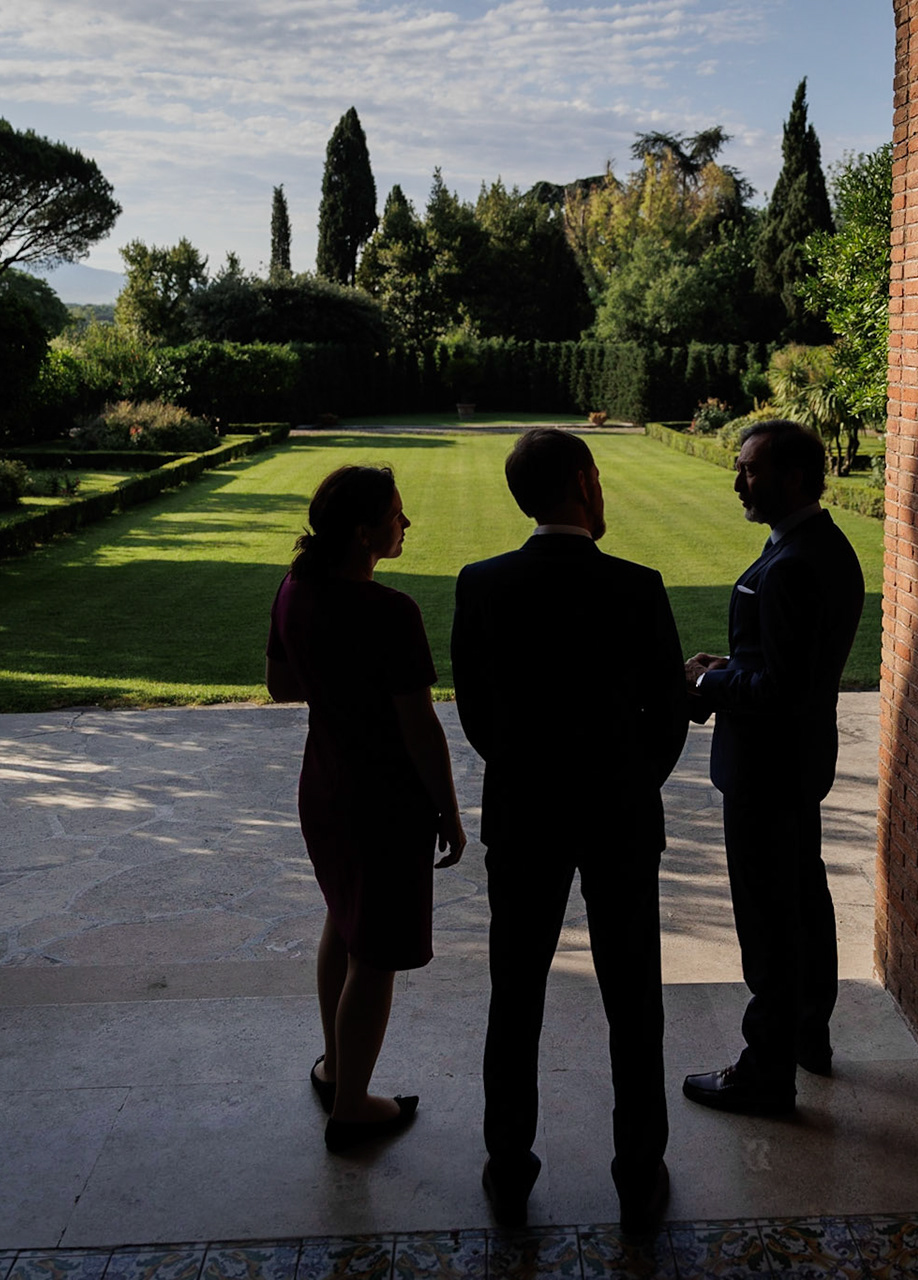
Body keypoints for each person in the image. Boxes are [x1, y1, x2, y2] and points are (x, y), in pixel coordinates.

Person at [452, 428, 689, 1231]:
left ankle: (510, 1166)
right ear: (586, 483)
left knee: (515, 996)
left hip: (523, 815)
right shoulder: (637, 585)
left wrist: (528, 773)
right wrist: (628, 780)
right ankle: (638, 1171)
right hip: (621, 814)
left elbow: (478, 712)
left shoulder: (481, 585)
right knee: (634, 1000)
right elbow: (669, 714)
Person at [265, 464, 467, 1153]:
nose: (406, 525)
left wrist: (336, 683)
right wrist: (449, 810)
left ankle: (334, 1067)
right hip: (381, 795)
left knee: (343, 920)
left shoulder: (294, 588)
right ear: (363, 532)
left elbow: (282, 685)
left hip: (323, 782)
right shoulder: (390, 613)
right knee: (375, 949)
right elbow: (419, 727)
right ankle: (353, 1107)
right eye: (396, 516)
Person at [681, 419, 865, 1115]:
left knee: (769, 924)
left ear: (791, 477)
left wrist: (702, 685)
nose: (737, 482)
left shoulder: (790, 564)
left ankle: (765, 1071)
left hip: (766, 770)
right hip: (798, 763)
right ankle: (808, 1038)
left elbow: (781, 690)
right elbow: (792, 668)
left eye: (750, 471)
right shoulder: (820, 545)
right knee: (804, 907)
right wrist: (732, 667)